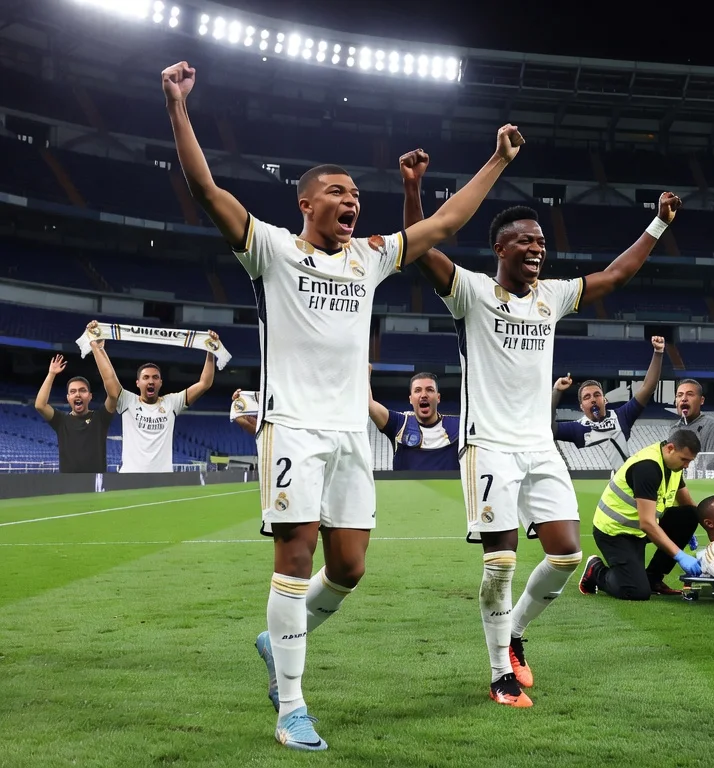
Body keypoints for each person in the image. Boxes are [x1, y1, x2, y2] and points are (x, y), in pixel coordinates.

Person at [163, 59, 522, 750]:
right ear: (306, 204)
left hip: (352, 434)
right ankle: (292, 706)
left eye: (356, 192)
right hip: (291, 426)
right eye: (337, 191)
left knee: (350, 567)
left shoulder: (370, 256)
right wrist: (178, 106)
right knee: (295, 558)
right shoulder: (269, 248)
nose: (351, 199)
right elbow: (206, 189)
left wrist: (496, 161)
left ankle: (278, 640)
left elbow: (446, 222)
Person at [401, 147, 681, 708]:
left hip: (539, 445)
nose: (537, 249)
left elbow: (617, 274)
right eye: (526, 241)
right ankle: (499, 672)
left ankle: (517, 637)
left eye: (541, 243)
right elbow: (420, 246)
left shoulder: (552, 296)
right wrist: (413, 191)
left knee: (565, 555)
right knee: (500, 561)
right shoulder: (473, 292)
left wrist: (657, 223)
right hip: (488, 446)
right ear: (500, 248)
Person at [578, 429, 703, 601]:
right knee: (636, 592)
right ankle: (596, 571)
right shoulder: (647, 467)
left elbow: (688, 504)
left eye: (690, 461)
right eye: (684, 459)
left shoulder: (673, 465)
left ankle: (653, 579)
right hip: (615, 532)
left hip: (637, 529)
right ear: (670, 448)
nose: (687, 466)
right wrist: (679, 555)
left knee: (689, 515)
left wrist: (689, 530)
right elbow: (647, 523)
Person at [551, 336, 665, 467]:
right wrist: (557, 391)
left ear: (604, 400)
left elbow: (647, 388)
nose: (593, 399)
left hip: (622, 482)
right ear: (581, 407)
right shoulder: (577, 427)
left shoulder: (622, 416)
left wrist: (658, 352)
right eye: (587, 397)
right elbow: (548, 429)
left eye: (597, 395)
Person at [115, 334, 219, 473]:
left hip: (163, 481)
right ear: (138, 383)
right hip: (129, 479)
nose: (151, 381)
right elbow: (109, 378)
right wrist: (98, 348)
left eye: (155, 377)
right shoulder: (127, 401)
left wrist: (210, 351)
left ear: (160, 383)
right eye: (146, 377)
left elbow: (204, 383)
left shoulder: (172, 402)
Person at [35, 350, 118, 475]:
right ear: (68, 398)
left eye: (82, 390)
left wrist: (98, 351)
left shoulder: (101, 417)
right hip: (68, 484)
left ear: (90, 396)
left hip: (95, 483)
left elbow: (114, 395)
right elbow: (40, 405)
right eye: (73, 391)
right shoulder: (61, 420)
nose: (77, 394)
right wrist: (51, 374)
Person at [369, 371, 459, 471]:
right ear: (411, 399)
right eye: (417, 390)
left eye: (429, 390)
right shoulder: (400, 424)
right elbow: (369, 404)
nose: (424, 395)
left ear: (438, 398)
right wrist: (362, 369)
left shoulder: (458, 426)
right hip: (405, 487)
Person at [674, 379, 714, 476]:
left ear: (701, 400)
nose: (684, 398)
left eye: (690, 394)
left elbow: (712, 461)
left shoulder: (711, 425)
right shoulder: (674, 429)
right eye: (679, 395)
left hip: (703, 482)